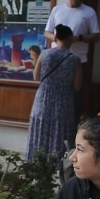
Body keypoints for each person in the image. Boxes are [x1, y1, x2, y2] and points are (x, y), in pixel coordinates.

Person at [26, 24, 81, 160]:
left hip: (43, 97)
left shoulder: (44, 54)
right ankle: (57, 163)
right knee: (60, 130)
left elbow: (36, 76)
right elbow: (77, 86)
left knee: (40, 129)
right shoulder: (74, 59)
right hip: (63, 100)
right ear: (70, 39)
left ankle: (36, 161)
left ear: (55, 38)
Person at [44, 0, 99, 113]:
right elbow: (47, 32)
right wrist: (58, 39)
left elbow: (96, 36)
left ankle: (73, 129)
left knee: (76, 96)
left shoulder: (89, 12)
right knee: (54, 94)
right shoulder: (57, 9)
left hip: (78, 59)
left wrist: (79, 38)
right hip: (57, 59)